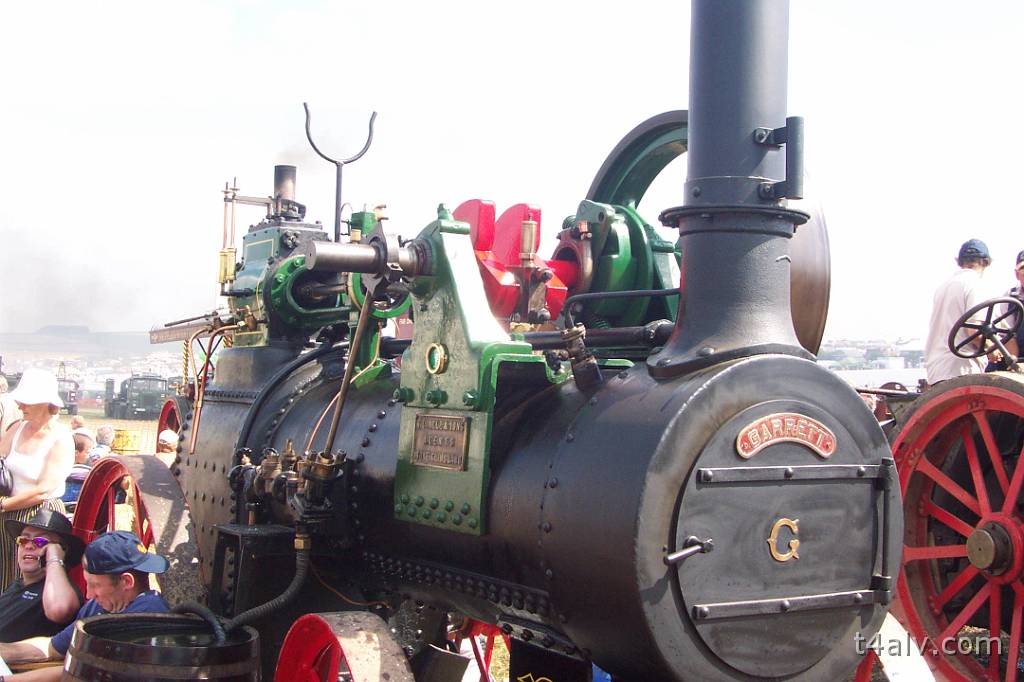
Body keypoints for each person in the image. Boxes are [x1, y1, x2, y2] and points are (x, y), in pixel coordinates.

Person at [0, 531, 170, 682]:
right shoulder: (98, 607)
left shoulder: (147, 615)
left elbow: (84, 672)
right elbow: (52, 647)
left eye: (95, 585)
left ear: (126, 581)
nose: (88, 595)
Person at [0, 370, 74, 592]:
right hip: (8, 516)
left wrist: (3, 505)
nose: (21, 405)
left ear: (45, 403)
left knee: (30, 582)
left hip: (41, 518)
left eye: (27, 401)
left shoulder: (60, 438)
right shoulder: (15, 428)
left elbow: (43, 490)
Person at [0, 509, 83, 642]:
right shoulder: (17, 585)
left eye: (40, 541)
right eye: (23, 540)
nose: (28, 546)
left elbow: (59, 609)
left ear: (61, 550)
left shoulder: (61, 591)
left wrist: (54, 558)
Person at [923, 239, 996, 385]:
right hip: (963, 369)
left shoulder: (943, 287)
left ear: (959, 261)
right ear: (986, 262)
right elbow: (973, 330)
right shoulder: (975, 284)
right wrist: (992, 348)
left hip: (937, 370)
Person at [986, 249, 1024, 371]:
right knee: (992, 371)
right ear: (1017, 274)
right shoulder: (1010, 297)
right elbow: (1007, 335)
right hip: (1017, 357)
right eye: (1023, 269)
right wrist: (1014, 363)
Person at [60, 430, 95, 505]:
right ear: (76, 453)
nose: (88, 456)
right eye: (87, 452)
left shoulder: (58, 468)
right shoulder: (84, 472)